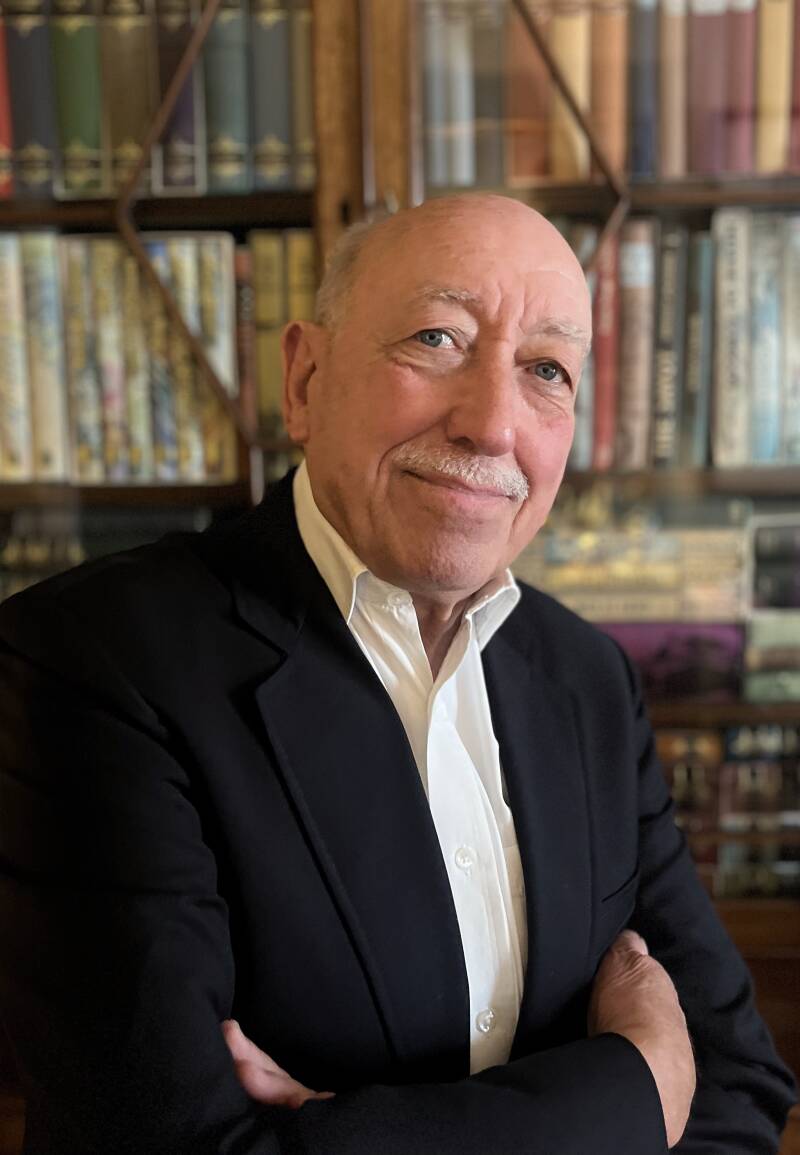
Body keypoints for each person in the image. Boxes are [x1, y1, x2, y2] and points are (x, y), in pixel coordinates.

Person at [0, 194, 794, 1154]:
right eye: (436, 338)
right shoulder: (92, 659)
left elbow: (738, 1082)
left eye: (546, 369)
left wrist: (349, 1135)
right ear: (305, 380)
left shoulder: (588, 680)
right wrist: (640, 1085)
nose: (492, 425)